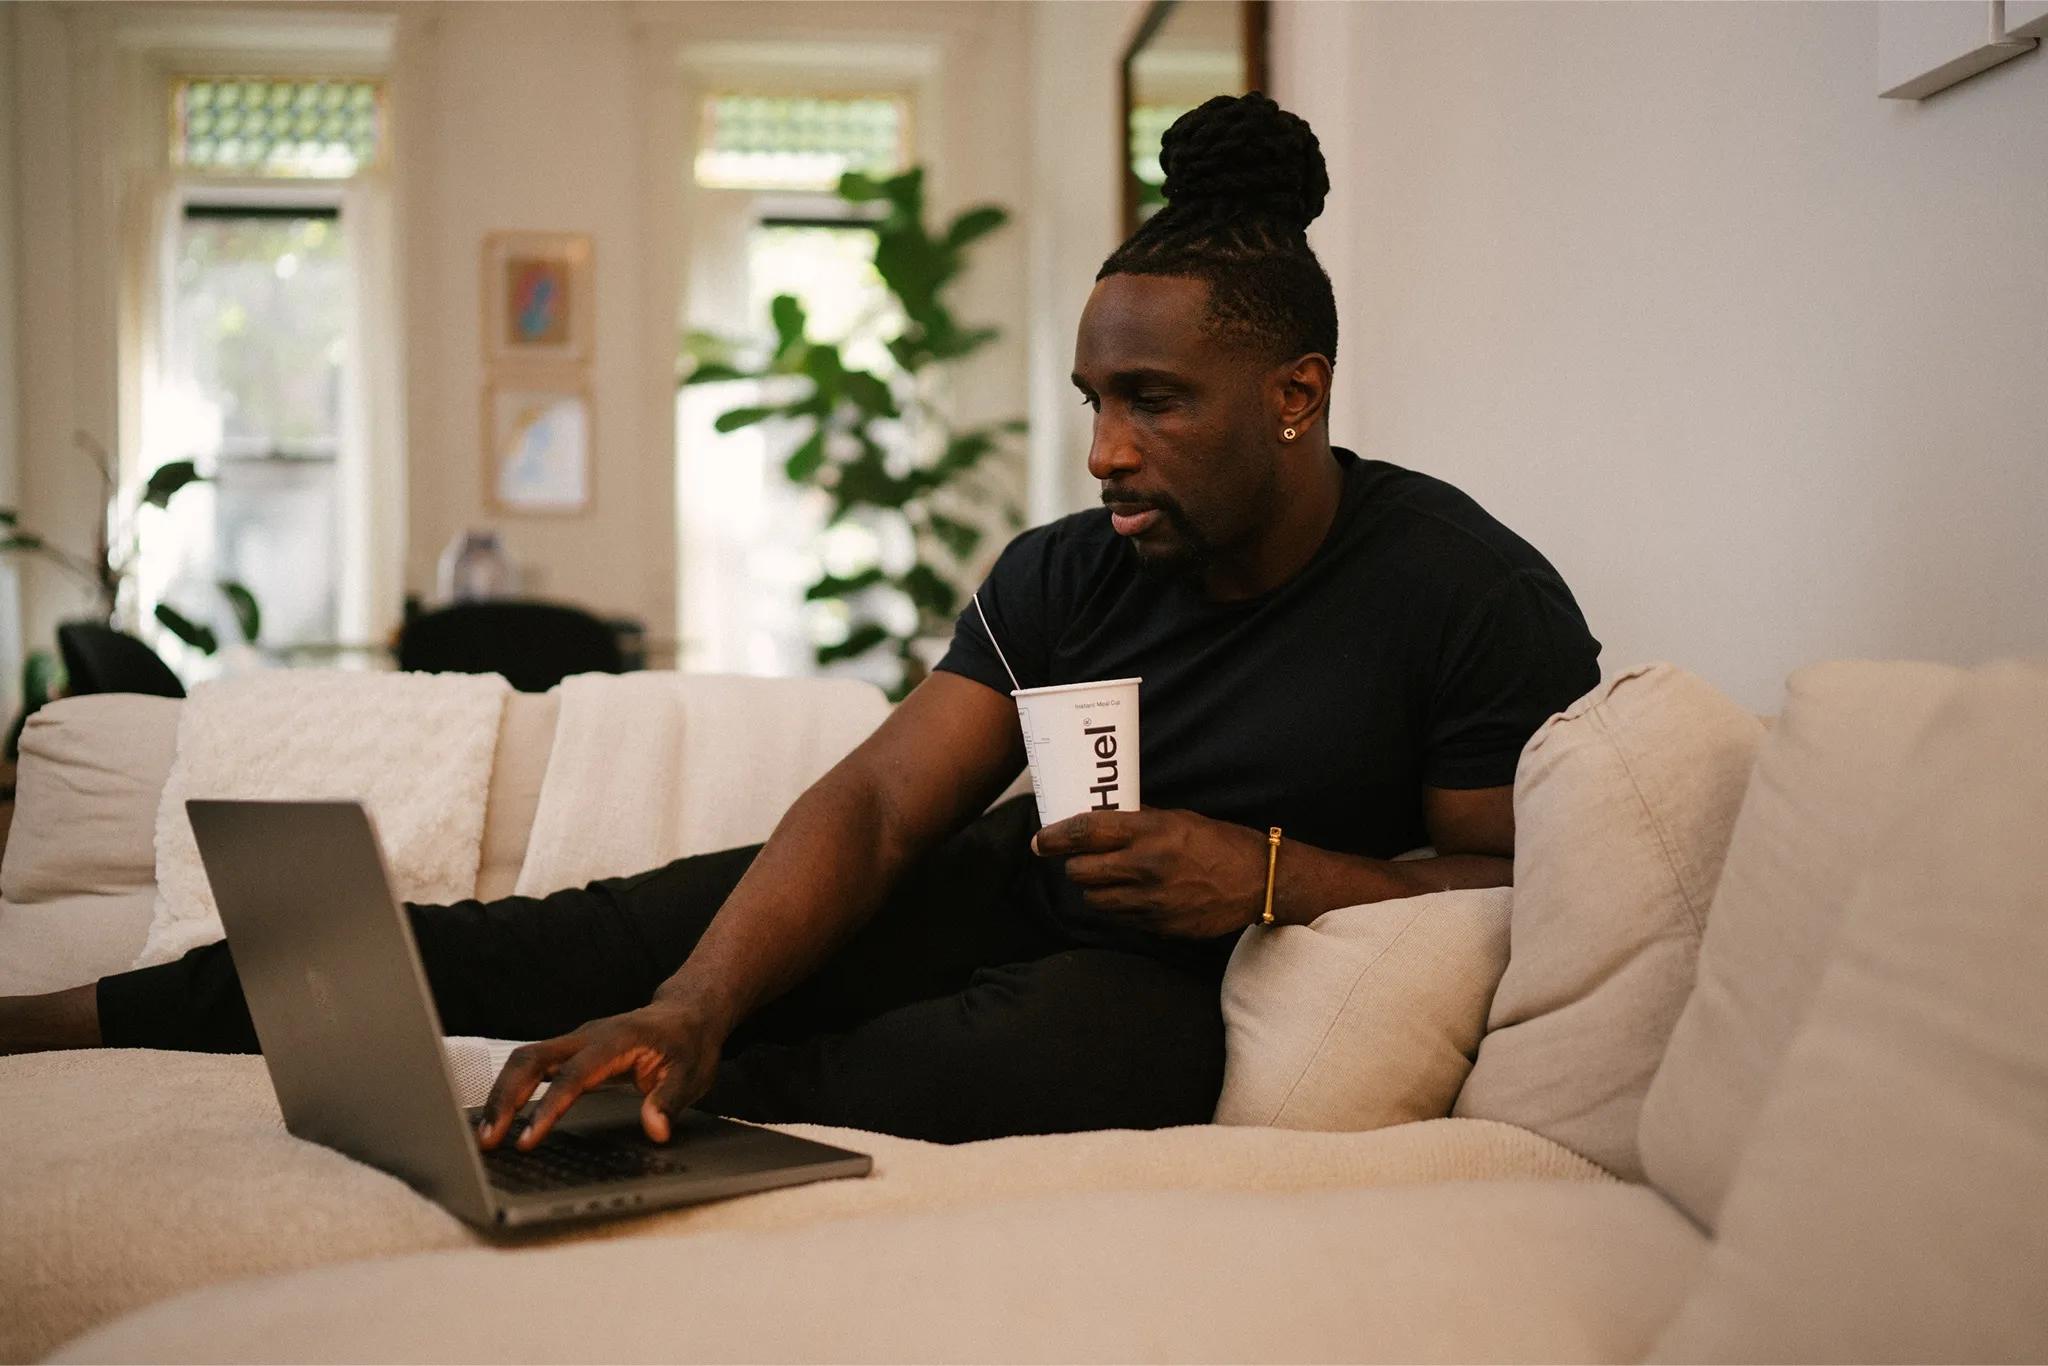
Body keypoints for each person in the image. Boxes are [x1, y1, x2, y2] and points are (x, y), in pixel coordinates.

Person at [0, 93, 1600, 1150]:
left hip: (1163, 984)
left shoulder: (1466, 594)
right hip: (1011, 890)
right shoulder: (1071, 566)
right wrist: (691, 993)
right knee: (586, 939)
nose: (1104, 448)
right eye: (1093, 400)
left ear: (1296, 393)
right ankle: (58, 1017)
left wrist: (1258, 874)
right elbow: (886, 795)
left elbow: (1505, 880)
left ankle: (610, 1128)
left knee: (1083, 1058)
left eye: (1154, 401)